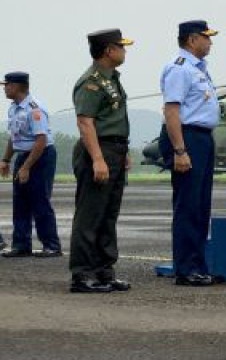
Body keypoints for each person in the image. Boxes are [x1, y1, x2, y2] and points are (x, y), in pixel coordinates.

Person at [69, 28, 134, 294]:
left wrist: (123, 152)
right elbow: (85, 122)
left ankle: (104, 271)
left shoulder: (111, 78)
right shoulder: (92, 81)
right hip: (99, 149)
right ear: (109, 50)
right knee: (90, 214)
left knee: (108, 215)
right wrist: (97, 159)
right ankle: (82, 274)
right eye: (121, 46)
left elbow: (113, 119)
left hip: (114, 149)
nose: (125, 51)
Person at [160, 20, 222, 286]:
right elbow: (171, 111)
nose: (210, 42)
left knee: (201, 206)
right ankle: (185, 269)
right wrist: (180, 150)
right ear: (192, 39)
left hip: (203, 138)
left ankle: (198, 265)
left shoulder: (199, 70)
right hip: (187, 138)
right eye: (206, 37)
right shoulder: (180, 69)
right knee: (188, 205)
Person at [1, 71, 61, 258]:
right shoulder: (14, 108)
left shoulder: (34, 109)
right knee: (20, 201)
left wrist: (26, 167)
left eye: (7, 85)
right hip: (23, 155)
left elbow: (41, 140)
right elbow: (14, 137)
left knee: (40, 200)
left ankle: (51, 245)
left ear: (16, 86)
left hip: (41, 156)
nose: (4, 88)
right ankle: (21, 245)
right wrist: (6, 160)